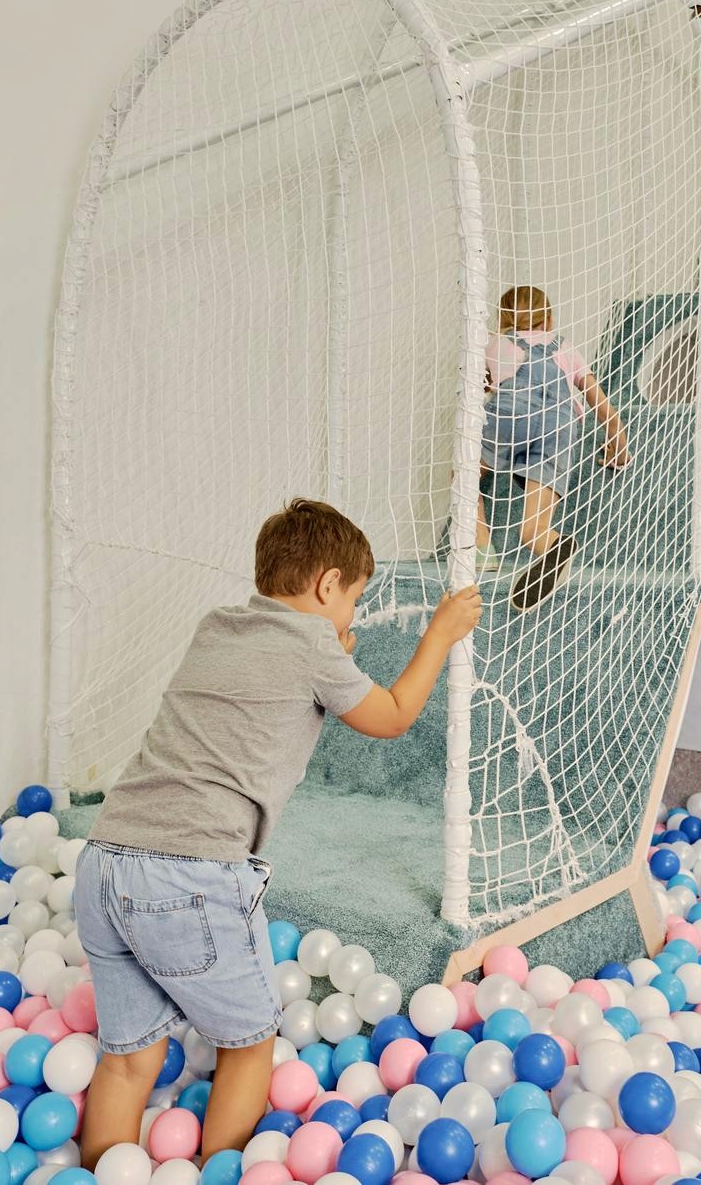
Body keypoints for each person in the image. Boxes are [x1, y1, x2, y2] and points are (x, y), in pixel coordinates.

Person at [74, 500, 482, 1168]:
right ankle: (219, 1168)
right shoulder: (317, 644)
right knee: (251, 1041)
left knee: (128, 1060)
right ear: (327, 585)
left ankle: (101, 1170)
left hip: (107, 859)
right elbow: (394, 715)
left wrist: (331, 648)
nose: (351, 614)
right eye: (352, 597)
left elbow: (275, 676)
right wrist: (439, 633)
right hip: (191, 871)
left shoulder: (218, 626)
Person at [475, 285, 630, 611]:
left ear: (505, 319)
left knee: (464, 475)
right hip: (557, 429)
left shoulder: (497, 345)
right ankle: (550, 542)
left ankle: (481, 548)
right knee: (532, 527)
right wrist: (617, 446)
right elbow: (603, 409)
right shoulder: (566, 349)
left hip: (509, 417)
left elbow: (484, 387)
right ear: (549, 320)